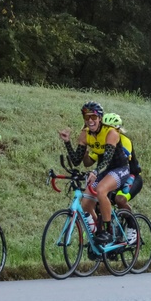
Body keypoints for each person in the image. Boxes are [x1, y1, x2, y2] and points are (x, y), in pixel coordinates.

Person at [59, 100, 130, 245]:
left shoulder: (110, 132)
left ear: (100, 118)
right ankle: (98, 231)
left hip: (119, 168)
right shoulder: (85, 134)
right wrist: (67, 142)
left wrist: (95, 172)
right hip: (104, 170)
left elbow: (107, 159)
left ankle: (107, 230)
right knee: (86, 203)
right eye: (86, 117)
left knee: (101, 190)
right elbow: (77, 160)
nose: (90, 120)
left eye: (93, 117)